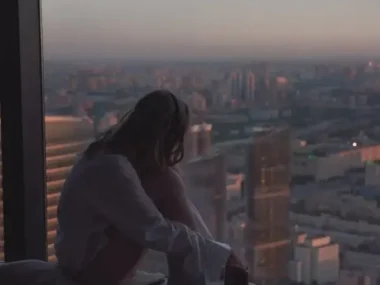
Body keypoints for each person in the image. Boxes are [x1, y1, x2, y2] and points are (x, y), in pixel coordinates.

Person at [55, 90, 244, 285]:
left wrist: (214, 250)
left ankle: (201, 273)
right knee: (167, 184)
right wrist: (217, 253)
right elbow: (153, 231)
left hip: (82, 263)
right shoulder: (111, 167)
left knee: (167, 180)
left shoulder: (107, 156)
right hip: (85, 271)